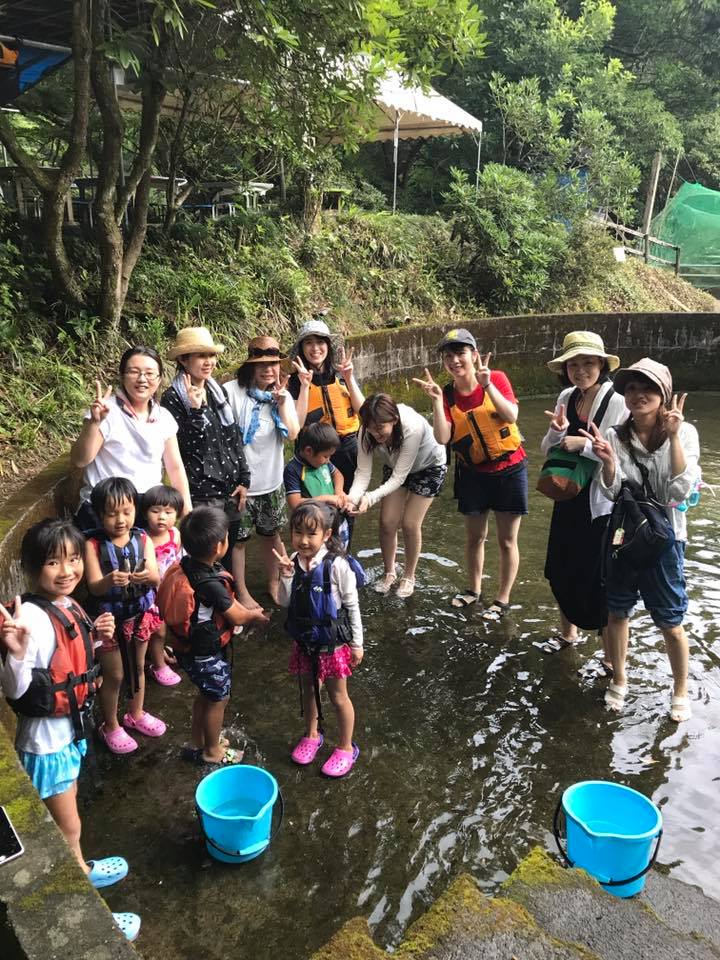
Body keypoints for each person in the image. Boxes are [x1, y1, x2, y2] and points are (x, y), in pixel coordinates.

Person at [0, 519, 141, 942]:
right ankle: (91, 915)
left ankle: (81, 868)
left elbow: (72, 664)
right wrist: (17, 653)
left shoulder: (68, 605)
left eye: (74, 558)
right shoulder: (34, 620)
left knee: (71, 820)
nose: (67, 570)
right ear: (29, 568)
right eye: (53, 562)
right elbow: (18, 690)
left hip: (68, 735)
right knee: (66, 831)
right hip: (46, 744)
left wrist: (94, 637)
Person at [580, 358, 699, 721]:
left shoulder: (686, 433)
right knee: (617, 611)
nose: (638, 395)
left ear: (663, 394)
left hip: (665, 538)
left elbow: (678, 492)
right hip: (625, 535)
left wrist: (675, 437)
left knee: (670, 619)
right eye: (631, 388)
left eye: (647, 388)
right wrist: (609, 463)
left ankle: (680, 689)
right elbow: (612, 490)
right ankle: (619, 677)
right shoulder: (615, 435)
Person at [414, 329, 527, 617]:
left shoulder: (496, 378)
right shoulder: (447, 394)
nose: (455, 360)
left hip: (509, 469)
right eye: (448, 356)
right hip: (473, 474)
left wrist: (487, 386)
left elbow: (511, 416)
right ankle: (474, 590)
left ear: (474, 355)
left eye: (461, 353)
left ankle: (502, 598)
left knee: (506, 539)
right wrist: (437, 402)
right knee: (475, 537)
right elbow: (442, 437)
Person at [540, 331, 628, 660]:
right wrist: (560, 431)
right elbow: (547, 449)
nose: (580, 371)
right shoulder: (566, 396)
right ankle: (568, 633)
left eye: (588, 363)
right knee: (560, 568)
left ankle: (610, 657)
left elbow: (619, 456)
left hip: (600, 505)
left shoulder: (616, 400)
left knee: (598, 578)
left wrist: (585, 445)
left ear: (601, 365)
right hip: (568, 498)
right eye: (573, 364)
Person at [158, 506, 268, 764]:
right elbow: (238, 617)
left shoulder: (187, 565)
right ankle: (211, 751)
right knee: (219, 697)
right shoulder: (210, 584)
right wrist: (255, 616)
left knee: (204, 695)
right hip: (205, 653)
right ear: (220, 545)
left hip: (187, 648)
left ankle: (202, 740)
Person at [276, 501, 364, 778]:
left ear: (326, 534)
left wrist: (358, 644)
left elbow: (352, 606)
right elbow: (285, 602)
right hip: (305, 642)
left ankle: (346, 747)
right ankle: (312, 734)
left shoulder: (337, 565)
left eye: (310, 534)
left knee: (338, 697)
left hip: (332, 644)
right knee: (309, 690)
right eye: (297, 532)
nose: (303, 541)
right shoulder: (293, 560)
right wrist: (286, 576)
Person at [71, 345, 192, 532]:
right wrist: (94, 423)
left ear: (159, 380)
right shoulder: (105, 411)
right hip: (106, 508)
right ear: (122, 376)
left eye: (150, 373)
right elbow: (80, 460)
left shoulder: (164, 417)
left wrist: (187, 509)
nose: (142, 379)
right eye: (134, 372)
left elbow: (175, 467)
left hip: (147, 509)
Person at [84, 477, 162, 755]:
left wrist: (146, 575)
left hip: (138, 616)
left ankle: (136, 713)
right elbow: (93, 586)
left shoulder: (143, 538)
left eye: (127, 511)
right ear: (99, 514)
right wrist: (109, 581)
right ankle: (111, 724)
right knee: (115, 675)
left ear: (135, 510)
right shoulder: (92, 544)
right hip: (108, 622)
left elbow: (155, 577)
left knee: (138, 668)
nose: (120, 519)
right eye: (112, 513)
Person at [224, 335, 299, 609]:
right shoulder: (231, 392)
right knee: (239, 542)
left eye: (274, 364)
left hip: (271, 483)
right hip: (240, 486)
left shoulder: (282, 395)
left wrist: (280, 403)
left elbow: (292, 434)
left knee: (272, 534)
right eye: (262, 364)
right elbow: (225, 439)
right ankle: (241, 591)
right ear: (250, 367)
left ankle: (274, 582)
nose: (269, 369)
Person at [347, 393, 446, 599]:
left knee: (410, 523)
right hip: (395, 467)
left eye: (380, 427)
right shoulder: (366, 431)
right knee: (387, 522)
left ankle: (409, 576)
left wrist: (370, 498)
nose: (375, 433)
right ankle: (390, 572)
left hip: (429, 466)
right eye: (371, 428)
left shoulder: (412, 427)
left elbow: (400, 477)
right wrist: (352, 499)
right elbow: (363, 472)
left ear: (394, 420)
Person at [161, 326, 251, 522]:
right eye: (201, 356)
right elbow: (184, 446)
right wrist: (196, 410)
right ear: (183, 359)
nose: (209, 361)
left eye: (211, 355)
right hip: (203, 493)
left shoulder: (217, 391)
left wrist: (244, 478)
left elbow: (233, 437)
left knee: (230, 549)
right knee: (207, 551)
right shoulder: (172, 398)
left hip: (232, 488)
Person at [288, 317, 364, 492]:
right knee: (320, 510)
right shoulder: (294, 382)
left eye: (320, 342)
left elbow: (363, 411)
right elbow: (295, 426)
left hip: (348, 447)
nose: (315, 348)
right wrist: (304, 386)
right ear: (302, 348)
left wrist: (349, 378)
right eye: (309, 343)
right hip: (314, 453)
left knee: (350, 503)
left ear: (328, 346)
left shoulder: (342, 374)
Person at [139, 484, 184, 686]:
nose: (162, 517)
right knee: (158, 630)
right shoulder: (141, 538)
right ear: (145, 513)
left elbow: (179, 558)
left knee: (171, 625)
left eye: (168, 512)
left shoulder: (175, 533)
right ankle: (157, 665)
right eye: (155, 511)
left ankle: (163, 652)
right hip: (150, 593)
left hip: (171, 589)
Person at [283, 423, 350, 546]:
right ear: (309, 451)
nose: (328, 460)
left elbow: (338, 475)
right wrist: (326, 499)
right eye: (325, 456)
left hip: (335, 520)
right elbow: (295, 503)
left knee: (340, 557)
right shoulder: (293, 469)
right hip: (312, 529)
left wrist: (339, 492)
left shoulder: (323, 462)